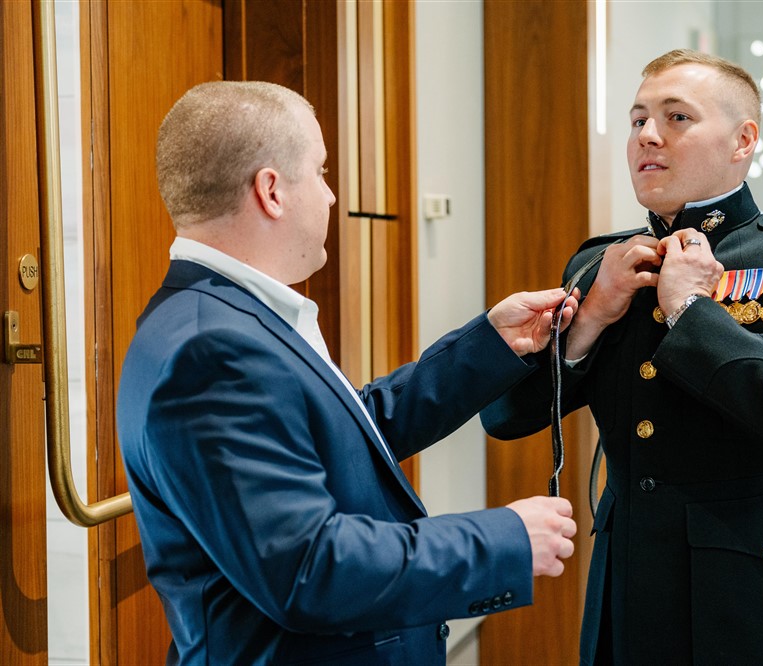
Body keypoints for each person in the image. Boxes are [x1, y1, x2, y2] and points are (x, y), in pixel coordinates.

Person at [116, 80, 579, 665]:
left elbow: (347, 435)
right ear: (271, 191)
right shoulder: (210, 350)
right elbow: (307, 569)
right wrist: (504, 540)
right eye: (322, 171)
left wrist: (492, 345)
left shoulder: (227, 316)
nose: (332, 196)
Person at [482, 49, 763, 664]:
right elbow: (507, 417)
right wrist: (592, 316)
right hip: (634, 591)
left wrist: (691, 312)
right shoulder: (602, 265)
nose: (648, 135)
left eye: (677, 117)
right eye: (637, 120)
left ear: (742, 140)